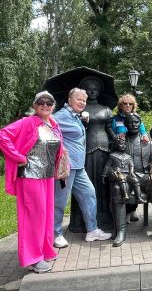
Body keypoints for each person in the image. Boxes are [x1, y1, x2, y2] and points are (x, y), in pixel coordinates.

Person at [0, 91, 64, 273]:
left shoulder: (53, 124)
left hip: (47, 176)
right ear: (35, 106)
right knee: (33, 217)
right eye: (41, 102)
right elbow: (2, 135)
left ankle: (44, 249)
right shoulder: (28, 122)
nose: (46, 105)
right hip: (30, 176)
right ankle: (33, 258)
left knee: (45, 215)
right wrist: (18, 156)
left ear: (53, 106)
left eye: (49, 103)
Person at [53, 88, 111, 249]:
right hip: (66, 168)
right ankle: (55, 233)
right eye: (79, 99)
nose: (82, 103)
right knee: (60, 200)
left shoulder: (75, 116)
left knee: (89, 194)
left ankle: (92, 230)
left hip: (79, 167)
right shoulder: (60, 116)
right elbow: (47, 127)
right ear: (69, 99)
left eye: (84, 100)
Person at [111, 113, 152, 246]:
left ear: (140, 124)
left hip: (144, 176)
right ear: (126, 124)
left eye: (137, 122)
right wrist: (114, 173)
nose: (134, 125)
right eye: (131, 122)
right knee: (117, 189)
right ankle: (121, 231)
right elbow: (112, 160)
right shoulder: (120, 140)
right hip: (127, 177)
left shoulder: (146, 141)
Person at [69, 76, 114, 232]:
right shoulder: (78, 110)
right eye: (89, 89)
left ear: (99, 91)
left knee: (103, 183)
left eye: (95, 88)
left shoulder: (106, 109)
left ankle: (104, 217)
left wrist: (118, 140)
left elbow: (110, 128)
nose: (92, 91)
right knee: (85, 184)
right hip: (84, 148)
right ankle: (80, 221)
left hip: (104, 147)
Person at [111, 93, 149, 223]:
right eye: (125, 103)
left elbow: (142, 130)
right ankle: (125, 213)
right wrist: (116, 136)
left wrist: (144, 135)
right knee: (124, 182)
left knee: (135, 181)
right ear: (120, 105)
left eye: (130, 104)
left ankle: (133, 211)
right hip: (121, 153)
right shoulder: (116, 119)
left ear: (134, 105)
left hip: (135, 152)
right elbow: (111, 132)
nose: (127, 105)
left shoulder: (137, 118)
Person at [103, 137, 146, 246]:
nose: (122, 146)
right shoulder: (112, 156)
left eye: (124, 144)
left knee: (135, 181)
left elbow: (131, 166)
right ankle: (120, 231)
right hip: (118, 176)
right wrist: (105, 175)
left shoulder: (128, 156)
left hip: (128, 175)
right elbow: (108, 166)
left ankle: (138, 196)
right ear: (116, 145)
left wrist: (132, 172)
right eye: (120, 144)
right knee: (118, 188)